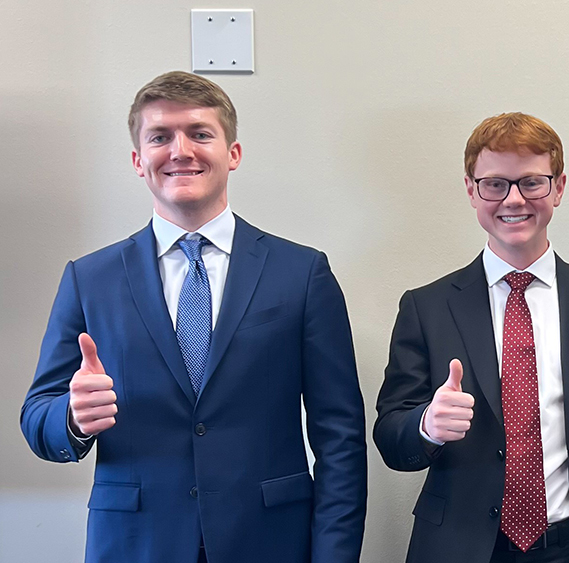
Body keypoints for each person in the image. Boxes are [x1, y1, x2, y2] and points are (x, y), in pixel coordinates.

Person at [20, 71, 367, 563]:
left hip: (270, 542)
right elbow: (37, 416)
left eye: (200, 134)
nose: (180, 150)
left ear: (233, 153)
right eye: (160, 137)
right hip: (136, 545)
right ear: (139, 161)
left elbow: (341, 436)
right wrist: (72, 419)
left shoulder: (302, 273)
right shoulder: (89, 278)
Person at [374, 112, 569, 563]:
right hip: (461, 546)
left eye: (531, 182)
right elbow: (390, 436)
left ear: (559, 187)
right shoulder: (427, 307)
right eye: (495, 184)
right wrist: (426, 426)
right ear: (472, 190)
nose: (514, 199)